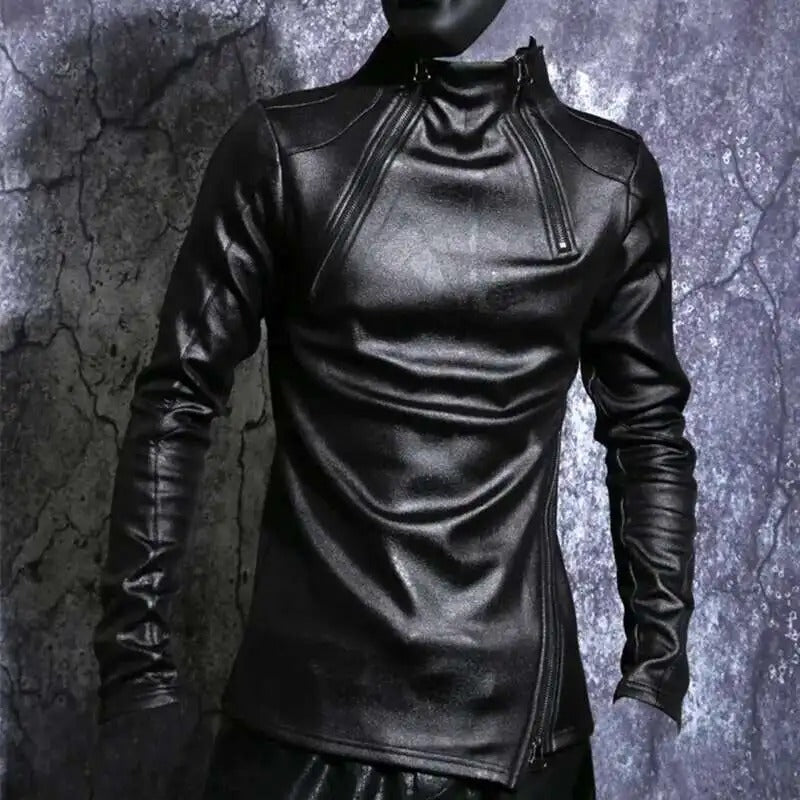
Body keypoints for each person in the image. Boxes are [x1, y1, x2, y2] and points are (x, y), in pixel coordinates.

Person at [92, 1, 698, 798]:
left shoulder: (606, 178)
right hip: (304, 729)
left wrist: (657, 671)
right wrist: (135, 663)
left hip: (517, 741)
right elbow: (179, 395)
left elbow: (648, 429)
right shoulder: (287, 150)